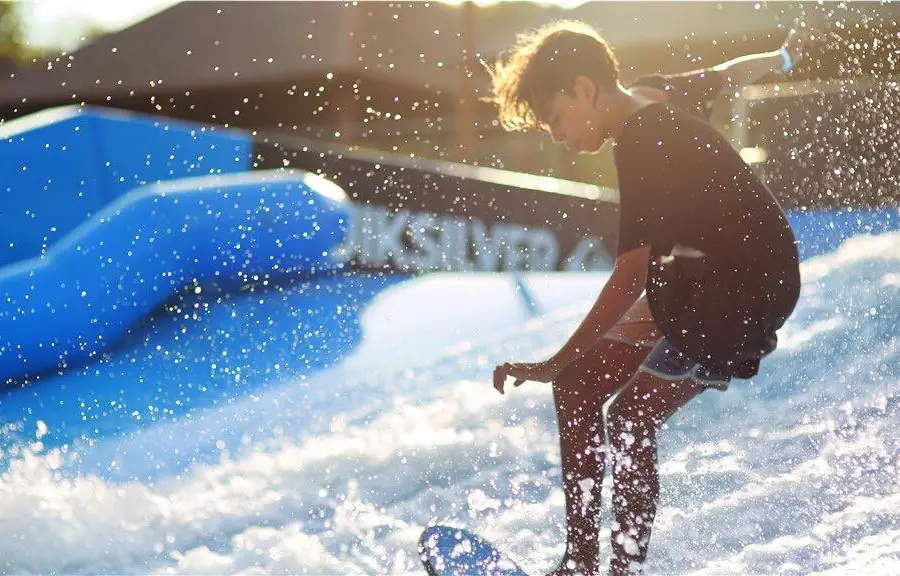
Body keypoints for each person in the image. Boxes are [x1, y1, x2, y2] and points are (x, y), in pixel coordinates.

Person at [488, 20, 811, 576]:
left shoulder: (643, 141)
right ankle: (580, 565)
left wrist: (556, 357)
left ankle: (622, 571)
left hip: (744, 289)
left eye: (557, 118)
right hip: (697, 273)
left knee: (631, 418)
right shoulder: (656, 90)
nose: (556, 135)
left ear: (586, 89)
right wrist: (779, 59)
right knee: (577, 390)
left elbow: (630, 273)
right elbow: (730, 74)